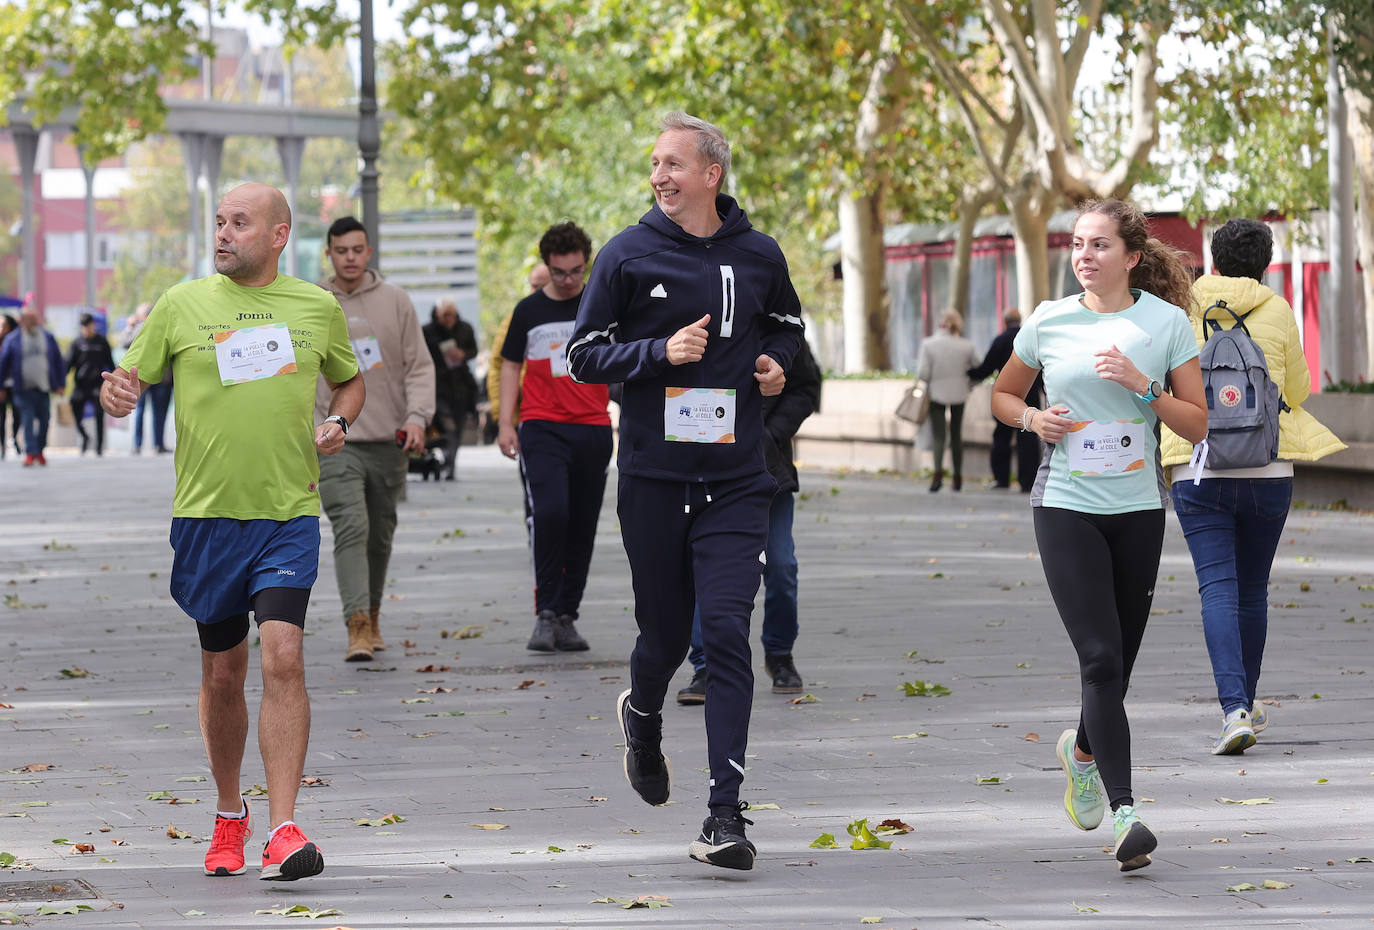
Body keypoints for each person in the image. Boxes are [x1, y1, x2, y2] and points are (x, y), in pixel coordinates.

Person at [100, 182, 364, 882]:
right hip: (207, 519)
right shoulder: (181, 306)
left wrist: (339, 420)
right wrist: (116, 391)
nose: (223, 234)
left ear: (278, 235)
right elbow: (128, 378)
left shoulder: (315, 307)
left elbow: (349, 381)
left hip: (287, 515)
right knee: (223, 673)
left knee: (283, 657)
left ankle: (283, 826)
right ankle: (228, 814)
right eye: (219, 222)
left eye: (239, 223)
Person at [568, 111, 803, 871]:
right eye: (654, 165)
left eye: (674, 164)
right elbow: (580, 356)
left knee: (728, 633)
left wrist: (773, 362)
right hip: (654, 476)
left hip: (738, 477)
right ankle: (641, 716)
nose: (659, 177)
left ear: (713, 174)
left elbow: (788, 328)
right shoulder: (627, 254)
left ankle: (724, 817)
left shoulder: (760, 253)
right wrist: (656, 353)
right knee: (665, 638)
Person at [990, 198, 1208, 873]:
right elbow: (1001, 397)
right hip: (1066, 505)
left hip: (1139, 507)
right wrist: (1033, 422)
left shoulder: (1166, 323)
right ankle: (1125, 814)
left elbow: (1197, 424)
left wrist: (1145, 388)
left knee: (1120, 666)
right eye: (1078, 244)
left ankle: (1081, 753)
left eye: (1100, 245)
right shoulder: (1050, 321)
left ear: (1133, 256)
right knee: (1099, 660)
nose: (1084, 255)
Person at [1160, 219, 1345, 755]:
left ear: (1211, 259)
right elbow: (1299, 389)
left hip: (1197, 466)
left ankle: (1234, 709)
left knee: (1216, 586)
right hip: (1268, 468)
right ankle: (1248, 700)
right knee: (1253, 589)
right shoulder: (1278, 308)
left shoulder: (1182, 307)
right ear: (1265, 262)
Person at [315, 216, 436, 662]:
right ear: (329, 253)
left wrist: (418, 418)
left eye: (357, 250)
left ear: (368, 253)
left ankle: (374, 612)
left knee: (380, 535)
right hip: (333, 440)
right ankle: (357, 625)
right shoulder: (311, 301)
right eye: (341, 250)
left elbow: (420, 366)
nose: (349, 258)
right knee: (352, 525)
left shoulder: (396, 301)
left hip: (389, 439)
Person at [677, 339, 822, 703]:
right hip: (700, 470)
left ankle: (779, 654)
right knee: (704, 569)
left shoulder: (776, 323)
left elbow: (806, 386)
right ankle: (705, 664)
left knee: (781, 567)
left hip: (766, 469)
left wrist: (770, 435)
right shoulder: (682, 314)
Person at [498, 225, 610, 653]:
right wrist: (506, 423)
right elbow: (510, 365)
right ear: (546, 266)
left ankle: (567, 616)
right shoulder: (527, 311)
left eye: (577, 271)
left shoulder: (599, 306)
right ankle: (545, 611)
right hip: (542, 426)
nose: (568, 280)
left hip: (594, 428)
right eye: (560, 272)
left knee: (582, 523)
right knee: (550, 513)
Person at [968, 309, 1043, 491]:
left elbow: (985, 369)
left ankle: (1002, 479)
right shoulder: (1031, 339)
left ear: (1004, 322)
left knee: (1001, 438)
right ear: (1019, 321)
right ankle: (1028, 481)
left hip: (1008, 397)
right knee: (1028, 440)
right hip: (1030, 396)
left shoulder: (1000, 340)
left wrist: (967, 373)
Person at [914, 309, 979, 492]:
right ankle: (957, 477)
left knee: (939, 436)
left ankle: (937, 476)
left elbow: (923, 373)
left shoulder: (928, 345)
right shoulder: (967, 346)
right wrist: (969, 385)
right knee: (956, 435)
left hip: (936, 393)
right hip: (959, 393)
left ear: (940, 324)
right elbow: (979, 368)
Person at [0, 304, 66, 466]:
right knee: (27, 420)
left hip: (43, 388)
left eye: (36, 318)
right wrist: (1, 386)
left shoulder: (47, 337)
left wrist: (60, 383)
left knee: (45, 420)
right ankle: (30, 452)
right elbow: (3, 363)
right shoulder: (13, 339)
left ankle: (39, 450)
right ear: (23, 321)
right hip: (22, 389)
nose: (35, 321)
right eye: (31, 319)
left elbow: (58, 361)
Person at [422, 299, 478, 480]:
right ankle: (444, 460)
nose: (448, 319)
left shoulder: (465, 328)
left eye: (451, 314)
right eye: (444, 315)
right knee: (447, 426)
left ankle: (450, 466)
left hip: (460, 386)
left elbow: (473, 350)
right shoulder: (427, 331)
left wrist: (463, 354)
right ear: (437, 314)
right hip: (437, 386)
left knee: (458, 429)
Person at [66, 312, 116, 455]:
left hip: (97, 384)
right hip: (81, 384)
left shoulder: (101, 342)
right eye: (84, 327)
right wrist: (60, 383)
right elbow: (68, 363)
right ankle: (84, 436)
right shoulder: (77, 343)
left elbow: (110, 362)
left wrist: (116, 379)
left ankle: (99, 447)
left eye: (89, 326)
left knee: (99, 414)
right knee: (75, 409)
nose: (87, 329)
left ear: (93, 325)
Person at [0, 314, 20, 458]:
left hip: (16, 384)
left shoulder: (15, 341)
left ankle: (14, 438)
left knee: (17, 414)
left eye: (4, 325)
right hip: (1, 384)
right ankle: (2, 447)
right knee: (1, 417)